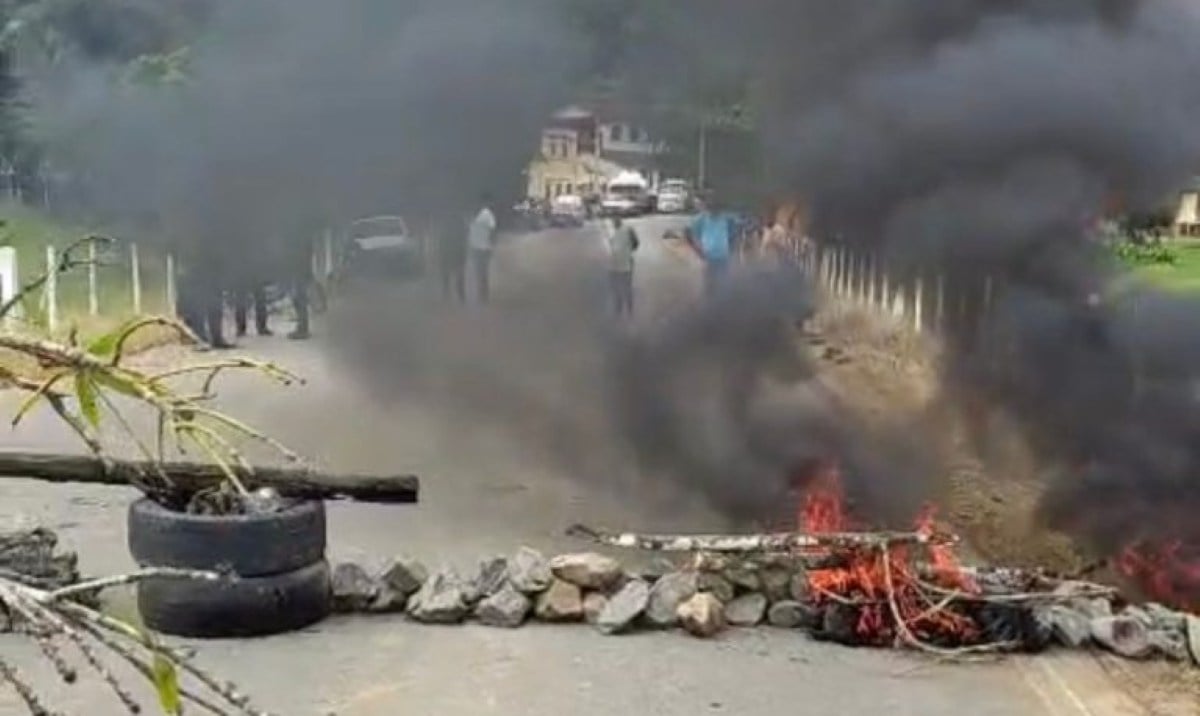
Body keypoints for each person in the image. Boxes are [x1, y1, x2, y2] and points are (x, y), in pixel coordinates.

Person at [686, 194, 739, 296]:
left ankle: (721, 304)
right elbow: (690, 235)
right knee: (710, 285)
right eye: (711, 208)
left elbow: (733, 235)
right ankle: (710, 306)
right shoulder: (701, 220)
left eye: (716, 208)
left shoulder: (727, 220)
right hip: (708, 257)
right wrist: (698, 251)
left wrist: (732, 248)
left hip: (723, 256)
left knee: (724, 285)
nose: (714, 210)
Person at [606, 215, 640, 318]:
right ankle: (625, 310)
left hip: (618, 264)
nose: (614, 223)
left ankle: (622, 309)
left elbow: (635, 243)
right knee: (624, 287)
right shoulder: (622, 231)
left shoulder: (621, 232)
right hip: (619, 264)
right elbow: (636, 244)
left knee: (621, 287)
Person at [467, 194, 498, 304]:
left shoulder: (487, 214)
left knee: (482, 272)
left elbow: (492, 230)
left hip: (483, 247)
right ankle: (481, 294)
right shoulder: (476, 214)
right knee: (478, 272)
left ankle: (483, 295)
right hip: (476, 246)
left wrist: (491, 243)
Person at [436, 213, 468, 303]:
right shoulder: (461, 225)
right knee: (459, 276)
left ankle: (447, 294)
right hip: (457, 253)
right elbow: (464, 240)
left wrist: (440, 254)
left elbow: (441, 242)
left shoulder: (445, 226)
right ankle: (461, 296)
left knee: (447, 275)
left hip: (448, 253)